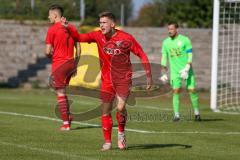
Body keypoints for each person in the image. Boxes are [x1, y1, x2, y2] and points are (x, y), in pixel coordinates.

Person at [63, 11, 152, 150]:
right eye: (100, 23)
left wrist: (148, 76)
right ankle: (107, 142)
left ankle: (121, 132)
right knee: (105, 111)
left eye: (104, 23)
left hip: (123, 78)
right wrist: (69, 27)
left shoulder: (126, 38)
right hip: (106, 79)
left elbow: (142, 54)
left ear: (112, 24)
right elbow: (78, 37)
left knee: (121, 107)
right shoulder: (97, 35)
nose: (101, 25)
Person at [45, 4, 80, 131]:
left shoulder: (52, 29)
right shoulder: (70, 27)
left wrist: (49, 56)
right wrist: (76, 63)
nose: (48, 17)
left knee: (60, 93)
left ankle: (66, 124)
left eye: (49, 14)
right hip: (71, 63)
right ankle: (68, 117)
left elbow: (48, 51)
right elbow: (78, 45)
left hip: (59, 64)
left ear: (55, 15)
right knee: (62, 91)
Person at [160, 22, 201, 122]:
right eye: (168, 29)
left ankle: (197, 113)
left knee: (192, 90)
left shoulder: (185, 40)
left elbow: (190, 54)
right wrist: (163, 71)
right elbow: (164, 56)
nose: (170, 31)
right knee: (176, 91)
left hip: (187, 70)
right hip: (174, 72)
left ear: (177, 29)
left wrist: (187, 67)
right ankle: (176, 115)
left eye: (172, 29)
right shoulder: (166, 42)